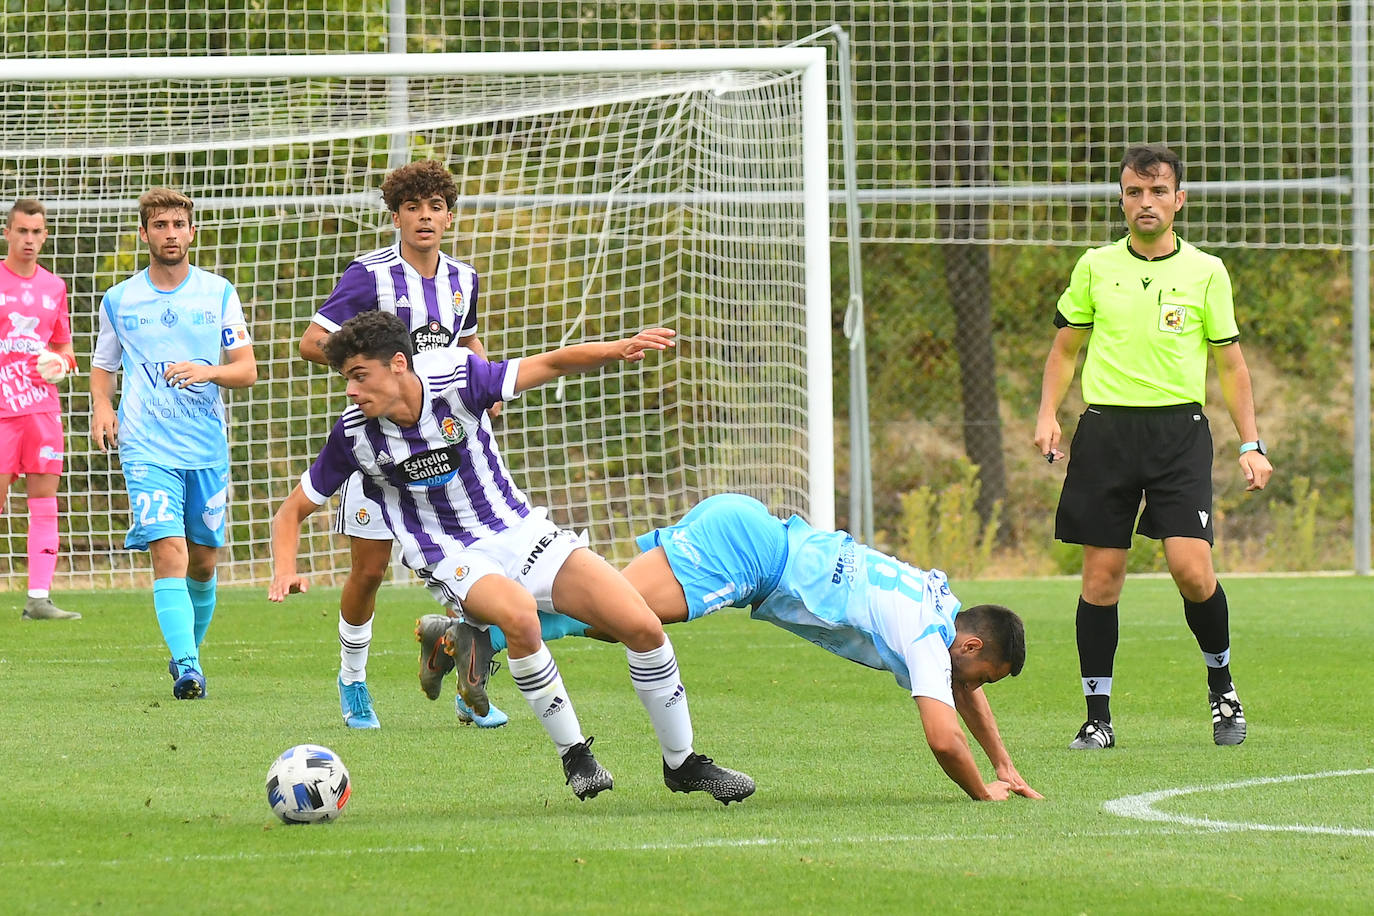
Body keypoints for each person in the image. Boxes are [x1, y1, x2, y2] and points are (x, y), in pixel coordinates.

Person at [269, 310, 755, 804]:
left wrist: (618, 348)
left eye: (358, 376)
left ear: (398, 364)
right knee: (520, 616)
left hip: (521, 531)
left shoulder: (459, 377)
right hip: (451, 554)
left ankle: (684, 763)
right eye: (345, 380)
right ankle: (575, 755)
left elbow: (552, 365)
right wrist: (285, 568)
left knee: (642, 625)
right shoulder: (353, 434)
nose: (350, 391)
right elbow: (291, 510)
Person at [426, 493, 1041, 802]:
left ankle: (474, 637)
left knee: (618, 616)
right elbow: (943, 736)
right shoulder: (929, 636)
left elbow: (959, 689)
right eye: (988, 674)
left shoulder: (941, 605)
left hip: (752, 533)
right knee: (627, 622)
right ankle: (480, 631)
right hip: (751, 556)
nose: (978, 687)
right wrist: (982, 791)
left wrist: (1005, 765)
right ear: (971, 642)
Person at [1033, 144, 1272, 750]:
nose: (1146, 202)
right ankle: (1098, 716)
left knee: (1192, 570)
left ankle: (1223, 691)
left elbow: (1232, 365)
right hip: (1107, 431)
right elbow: (1065, 348)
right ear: (1122, 198)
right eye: (1135, 192)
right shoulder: (1095, 266)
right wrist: (1048, 415)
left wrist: (1251, 441)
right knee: (1102, 579)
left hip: (1178, 434)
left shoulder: (1207, 271)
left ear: (1179, 200)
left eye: (1158, 192)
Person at [299, 159, 498, 730]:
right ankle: (353, 679)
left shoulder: (464, 279)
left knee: (471, 560)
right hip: (378, 446)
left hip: (444, 440)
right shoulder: (369, 275)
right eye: (413, 208)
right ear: (396, 217)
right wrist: (373, 372)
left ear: (450, 216)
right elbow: (312, 341)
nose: (425, 217)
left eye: (435, 207)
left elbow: (467, 339)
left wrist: (483, 379)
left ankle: (469, 681)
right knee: (370, 570)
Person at [90, 188, 258, 700]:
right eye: (159, 225)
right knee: (169, 552)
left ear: (191, 232)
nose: (169, 233)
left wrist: (208, 371)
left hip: (205, 446)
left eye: (177, 224)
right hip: (145, 445)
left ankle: (189, 654)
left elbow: (247, 370)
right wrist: (102, 407)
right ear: (144, 234)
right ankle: (188, 666)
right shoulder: (119, 299)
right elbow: (104, 367)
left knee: (204, 561)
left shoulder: (219, 293)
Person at [1, 199, 80, 620]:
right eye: (22, 231)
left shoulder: (55, 287)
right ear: (8, 232)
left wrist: (61, 364)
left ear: (45, 235)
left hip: (41, 411)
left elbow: (65, 349)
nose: (29, 239)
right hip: (1, 410)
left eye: (37, 232)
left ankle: (38, 599)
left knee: (44, 502)